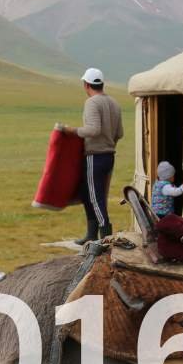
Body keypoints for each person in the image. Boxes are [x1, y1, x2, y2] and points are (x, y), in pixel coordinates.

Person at [57, 67, 123, 243]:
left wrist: (70, 130)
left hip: (95, 156)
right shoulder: (114, 102)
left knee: (95, 197)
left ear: (86, 85)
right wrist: (109, 146)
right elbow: (119, 133)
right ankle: (91, 234)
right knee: (88, 194)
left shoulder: (92, 103)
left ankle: (106, 236)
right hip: (108, 155)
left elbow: (93, 130)